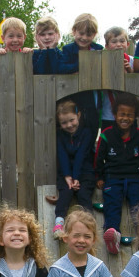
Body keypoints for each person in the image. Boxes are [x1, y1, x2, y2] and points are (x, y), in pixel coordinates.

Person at [96, 94, 139, 254]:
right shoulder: (106, 134)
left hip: (134, 178)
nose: (125, 118)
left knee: (138, 207)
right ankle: (113, 235)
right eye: (122, 114)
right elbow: (98, 157)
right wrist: (99, 177)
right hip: (112, 178)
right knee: (112, 205)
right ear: (115, 115)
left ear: (135, 116)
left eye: (129, 115)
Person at [51, 100, 96, 237]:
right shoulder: (59, 135)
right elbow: (62, 155)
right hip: (66, 172)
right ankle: (59, 222)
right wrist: (67, 176)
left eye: (72, 120)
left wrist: (76, 177)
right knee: (65, 193)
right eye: (64, 123)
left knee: (83, 194)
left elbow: (81, 155)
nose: (69, 125)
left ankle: (89, 224)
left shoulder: (86, 133)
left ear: (79, 115)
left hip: (84, 171)